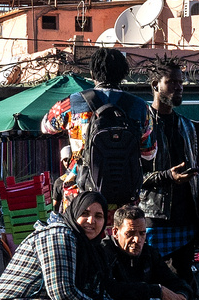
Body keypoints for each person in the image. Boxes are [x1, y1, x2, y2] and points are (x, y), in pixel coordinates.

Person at [0, 191, 111, 300]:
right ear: (74, 213)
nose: (91, 221)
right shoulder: (58, 235)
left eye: (98, 216)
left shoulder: (91, 248)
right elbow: (62, 292)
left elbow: (96, 291)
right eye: (84, 213)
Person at [41, 46, 151, 209]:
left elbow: (46, 126)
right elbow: (149, 153)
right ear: (123, 74)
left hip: (79, 198)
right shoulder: (140, 107)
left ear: (92, 73)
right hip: (124, 203)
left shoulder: (72, 103)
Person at [137, 59, 199, 300]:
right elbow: (134, 177)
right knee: (150, 285)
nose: (179, 87)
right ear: (155, 85)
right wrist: (167, 176)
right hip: (154, 219)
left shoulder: (187, 126)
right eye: (172, 82)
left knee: (185, 287)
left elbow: (195, 174)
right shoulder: (141, 124)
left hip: (186, 220)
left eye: (181, 83)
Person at [104, 206, 191, 300]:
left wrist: (179, 299)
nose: (137, 240)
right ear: (115, 232)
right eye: (130, 233)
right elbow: (114, 288)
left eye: (142, 234)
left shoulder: (149, 253)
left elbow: (176, 282)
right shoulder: (105, 252)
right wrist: (157, 291)